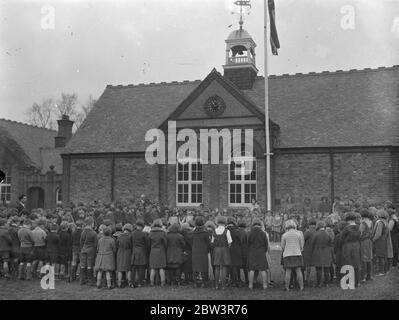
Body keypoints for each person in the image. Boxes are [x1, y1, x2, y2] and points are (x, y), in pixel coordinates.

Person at [281, 219, 304, 291]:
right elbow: (302, 245)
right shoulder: (299, 234)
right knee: (298, 271)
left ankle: (287, 287)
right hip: (297, 253)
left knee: (288, 271)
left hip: (287, 254)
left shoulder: (284, 235)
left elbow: (282, 246)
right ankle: (301, 287)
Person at [339, 212, 361, 286]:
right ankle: (357, 281)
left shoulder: (346, 228)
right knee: (356, 263)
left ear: (348, 220)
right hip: (356, 245)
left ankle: (349, 282)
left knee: (348, 263)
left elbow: (341, 239)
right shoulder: (358, 227)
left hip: (347, 246)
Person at [247, 219, 269, 290]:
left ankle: (250, 285)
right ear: (260, 225)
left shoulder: (250, 233)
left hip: (252, 252)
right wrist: (264, 250)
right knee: (263, 269)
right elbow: (266, 244)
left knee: (252, 269)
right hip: (261, 252)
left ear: (253, 224)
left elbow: (248, 243)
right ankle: (265, 285)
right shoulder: (263, 233)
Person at [211, 215, 232, 290]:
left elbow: (212, 242)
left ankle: (216, 285)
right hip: (225, 249)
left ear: (217, 222)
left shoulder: (214, 231)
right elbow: (230, 243)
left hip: (216, 250)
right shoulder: (227, 231)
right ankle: (223, 286)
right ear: (224, 222)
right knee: (224, 267)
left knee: (216, 267)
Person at [310, 221, 333, 287]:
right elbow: (330, 242)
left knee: (319, 269)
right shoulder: (328, 233)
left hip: (318, 252)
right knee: (326, 269)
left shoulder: (316, 234)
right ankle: (327, 283)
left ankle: (319, 283)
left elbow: (312, 243)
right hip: (327, 252)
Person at [191, 215, 211, 288]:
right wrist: (208, 250)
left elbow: (191, 242)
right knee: (203, 267)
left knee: (195, 267)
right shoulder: (205, 233)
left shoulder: (192, 232)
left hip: (195, 251)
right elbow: (208, 243)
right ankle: (203, 283)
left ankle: (195, 283)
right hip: (203, 251)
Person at [149, 219, 167, 286]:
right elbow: (165, 243)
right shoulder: (163, 233)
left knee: (153, 268)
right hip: (161, 251)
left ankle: (151, 282)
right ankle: (163, 282)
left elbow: (149, 243)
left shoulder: (151, 233)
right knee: (161, 268)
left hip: (153, 251)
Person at [80, 217, 98, 286]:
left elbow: (81, 242)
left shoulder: (83, 232)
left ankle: (82, 280)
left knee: (83, 265)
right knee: (90, 265)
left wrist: (82, 248)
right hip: (91, 250)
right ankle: (91, 280)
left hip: (83, 249)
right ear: (91, 224)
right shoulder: (94, 233)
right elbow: (96, 244)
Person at [131, 219, 148, 288]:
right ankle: (139, 283)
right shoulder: (144, 234)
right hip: (142, 251)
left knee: (134, 268)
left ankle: (132, 283)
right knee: (141, 268)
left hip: (134, 251)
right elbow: (147, 243)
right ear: (142, 226)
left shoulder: (132, 233)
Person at [372, 209, 389, 276]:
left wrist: (373, 239)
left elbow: (378, 234)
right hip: (384, 240)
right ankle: (385, 270)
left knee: (380, 256)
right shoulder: (386, 222)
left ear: (380, 215)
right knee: (384, 255)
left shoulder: (380, 222)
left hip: (380, 241)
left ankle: (381, 271)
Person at [227, 216, 243, 288]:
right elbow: (240, 241)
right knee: (235, 266)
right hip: (236, 249)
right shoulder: (237, 231)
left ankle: (231, 280)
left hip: (228, 249)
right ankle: (235, 281)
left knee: (230, 266)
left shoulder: (226, 230)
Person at [116, 223, 133, 288]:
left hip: (120, 253)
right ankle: (129, 282)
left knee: (120, 269)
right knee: (128, 269)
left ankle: (119, 283)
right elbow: (131, 246)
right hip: (128, 253)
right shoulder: (130, 236)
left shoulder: (119, 236)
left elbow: (117, 245)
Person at [302, 219, 316, 286]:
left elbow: (303, 240)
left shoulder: (307, 232)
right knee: (313, 265)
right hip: (314, 250)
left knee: (307, 265)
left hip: (307, 250)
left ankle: (306, 278)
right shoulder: (317, 231)